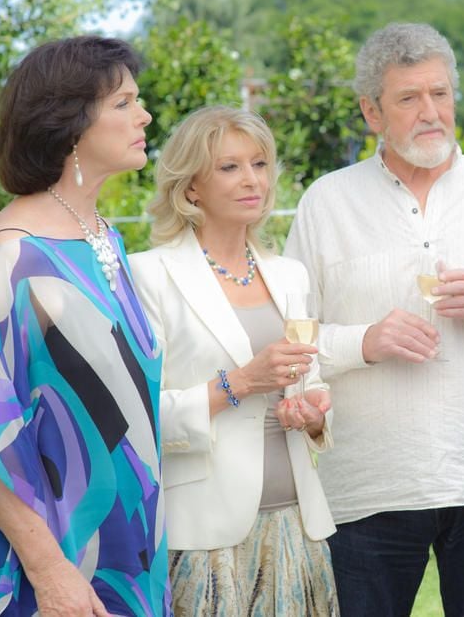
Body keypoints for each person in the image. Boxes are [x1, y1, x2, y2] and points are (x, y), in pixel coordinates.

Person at [284, 22, 464, 617]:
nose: (430, 112)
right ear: (372, 112)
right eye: (409, 98)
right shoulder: (327, 202)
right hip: (368, 487)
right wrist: (367, 341)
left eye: (440, 94)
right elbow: (291, 339)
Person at [0, 35, 169, 616]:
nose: (144, 115)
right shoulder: (15, 258)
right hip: (58, 570)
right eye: (124, 104)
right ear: (69, 124)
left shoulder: (104, 238)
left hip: (134, 551)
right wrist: (52, 574)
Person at [129, 105, 338, 616]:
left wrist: (313, 415)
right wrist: (239, 382)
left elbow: (310, 383)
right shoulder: (147, 275)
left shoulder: (290, 275)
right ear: (191, 186)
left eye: (260, 164)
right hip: (202, 534)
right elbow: (138, 415)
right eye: (230, 167)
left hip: (297, 524)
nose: (253, 180)